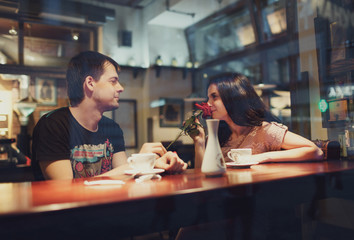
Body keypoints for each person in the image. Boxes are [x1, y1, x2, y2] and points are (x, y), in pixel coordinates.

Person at [32, 51, 187, 180]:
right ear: (90, 83)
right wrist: (136, 163)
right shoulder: (52, 125)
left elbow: (124, 176)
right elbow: (65, 190)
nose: (120, 88)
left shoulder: (111, 127)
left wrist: (152, 163)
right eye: (113, 81)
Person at [192, 72, 323, 167]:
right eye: (208, 98)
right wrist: (199, 142)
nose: (208, 104)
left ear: (233, 98)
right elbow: (202, 175)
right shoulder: (217, 135)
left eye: (214, 97)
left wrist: (261, 157)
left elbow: (315, 151)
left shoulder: (263, 130)